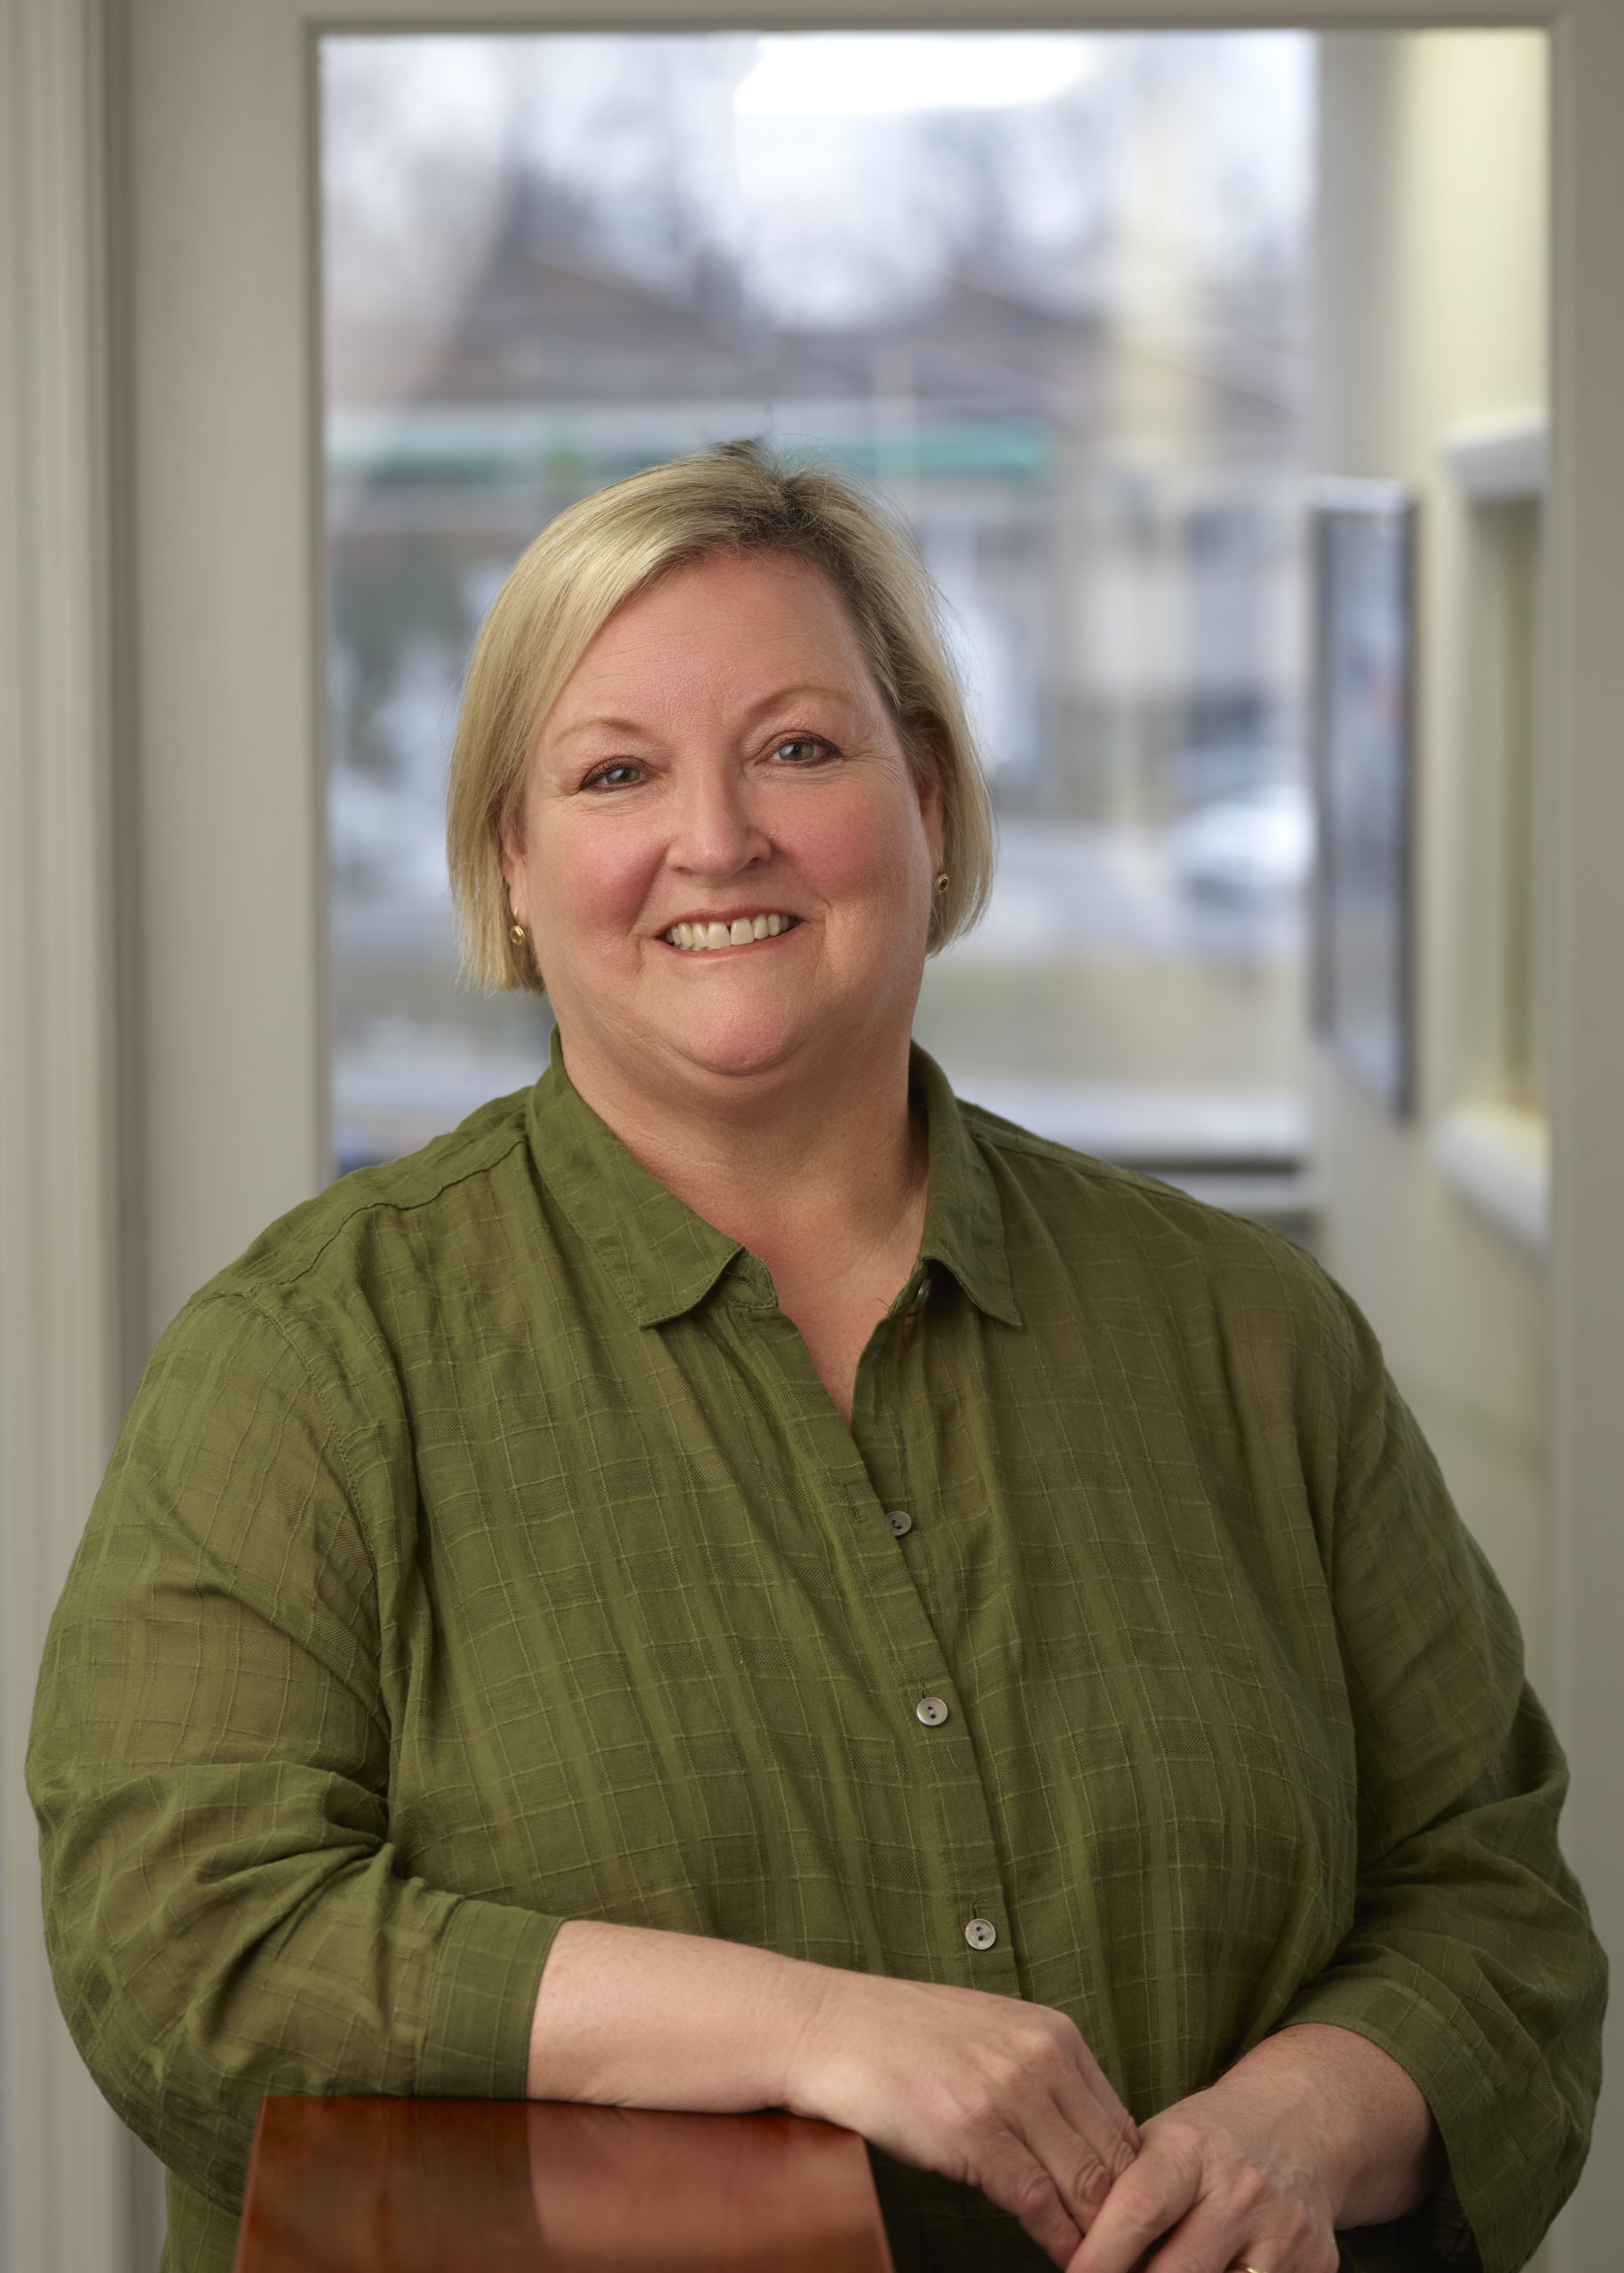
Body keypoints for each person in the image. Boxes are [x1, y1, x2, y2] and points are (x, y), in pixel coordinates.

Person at [30, 443, 1603, 2273]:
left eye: (797, 745)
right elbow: (186, 1948)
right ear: (512, 865)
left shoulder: (1250, 1331)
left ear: (925, 794)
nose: (719, 836)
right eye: (617, 770)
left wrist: (1303, 2122)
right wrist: (808, 2027)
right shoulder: (311, 1364)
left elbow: (1497, 1903)